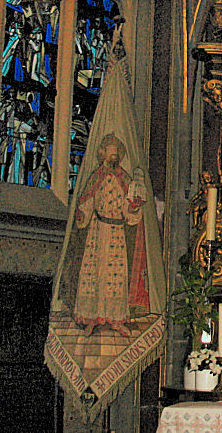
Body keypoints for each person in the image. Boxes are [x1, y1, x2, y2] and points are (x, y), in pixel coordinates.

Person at [73, 133, 148, 336]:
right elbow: (87, 202)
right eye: (110, 152)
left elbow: (130, 211)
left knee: (116, 278)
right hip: (98, 233)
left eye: (116, 153)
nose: (113, 156)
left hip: (116, 234)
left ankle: (115, 319)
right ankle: (93, 317)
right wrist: (82, 212)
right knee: (95, 274)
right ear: (103, 153)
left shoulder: (125, 180)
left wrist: (133, 207)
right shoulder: (96, 177)